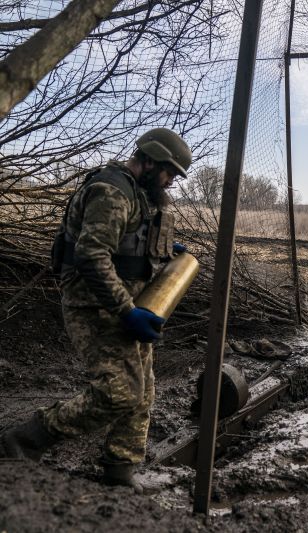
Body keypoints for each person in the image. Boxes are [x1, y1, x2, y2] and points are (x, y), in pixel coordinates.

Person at [0, 128, 192, 490]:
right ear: (149, 160)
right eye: (168, 172)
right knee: (120, 392)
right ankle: (22, 441)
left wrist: (161, 249)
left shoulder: (136, 193)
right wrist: (126, 312)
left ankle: (121, 471)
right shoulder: (111, 190)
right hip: (94, 303)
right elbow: (91, 254)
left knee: (143, 390)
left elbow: (123, 244)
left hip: (124, 301)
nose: (169, 182)